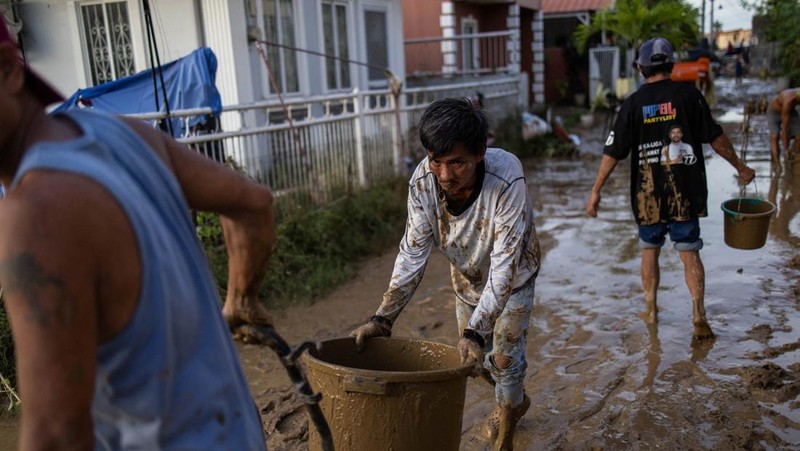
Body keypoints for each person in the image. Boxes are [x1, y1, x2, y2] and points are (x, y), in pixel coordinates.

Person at [0, 19, 274, 449]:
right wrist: (241, 299)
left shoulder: (34, 214)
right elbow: (254, 204)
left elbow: (55, 434)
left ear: (8, 71)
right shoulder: (120, 132)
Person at [350, 97, 541, 451]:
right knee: (470, 362)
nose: (445, 175)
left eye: (457, 163)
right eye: (436, 161)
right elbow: (412, 254)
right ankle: (514, 400)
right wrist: (382, 317)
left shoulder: (506, 177)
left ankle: (506, 433)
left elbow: (504, 263)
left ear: (480, 153)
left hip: (514, 277)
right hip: (467, 279)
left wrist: (476, 331)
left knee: (504, 361)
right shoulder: (423, 183)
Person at [586, 37, 755, 341]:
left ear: (640, 68)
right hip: (685, 191)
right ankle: (698, 313)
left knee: (650, 250)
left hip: (647, 193)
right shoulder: (690, 96)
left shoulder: (633, 104)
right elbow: (715, 137)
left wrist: (596, 190)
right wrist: (740, 167)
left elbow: (613, 152)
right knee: (689, 251)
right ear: (672, 65)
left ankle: (651, 310)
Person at [767, 87, 800, 173]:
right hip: (774, 112)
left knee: (799, 136)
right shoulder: (789, 100)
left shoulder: (797, 94)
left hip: (791, 111)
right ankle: (777, 164)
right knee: (775, 136)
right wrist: (786, 148)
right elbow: (785, 128)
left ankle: (792, 155)